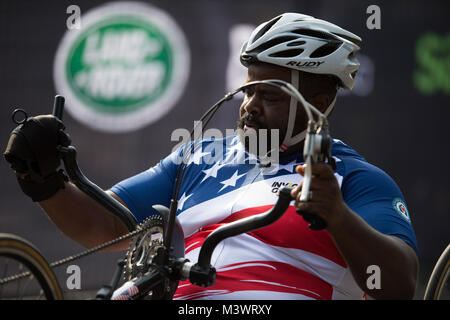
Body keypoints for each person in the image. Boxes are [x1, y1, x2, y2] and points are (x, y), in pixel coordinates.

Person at [4, 13, 418, 300]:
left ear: (320, 103)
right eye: (248, 90)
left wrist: (338, 216)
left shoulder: (356, 179)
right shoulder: (199, 157)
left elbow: (398, 285)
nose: (250, 106)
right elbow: (107, 224)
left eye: (271, 95)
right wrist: (44, 181)